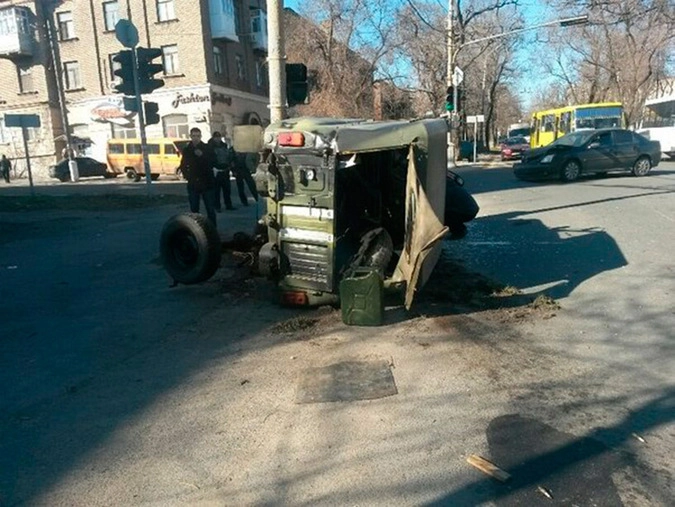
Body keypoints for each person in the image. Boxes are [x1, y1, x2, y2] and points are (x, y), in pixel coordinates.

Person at [178, 127, 217, 227]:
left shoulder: (207, 148)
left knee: (210, 208)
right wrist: (188, 176)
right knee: (194, 209)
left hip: (207, 182)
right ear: (190, 136)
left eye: (198, 136)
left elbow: (213, 162)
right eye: (194, 136)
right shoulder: (187, 149)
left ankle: (213, 229)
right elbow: (183, 165)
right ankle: (197, 229)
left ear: (201, 137)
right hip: (193, 183)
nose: (196, 138)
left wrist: (202, 155)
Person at [208, 131, 236, 211]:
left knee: (227, 190)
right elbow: (210, 159)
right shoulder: (210, 147)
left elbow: (228, 157)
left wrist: (230, 166)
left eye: (219, 137)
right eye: (216, 137)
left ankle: (228, 205)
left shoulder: (224, 146)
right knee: (216, 191)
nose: (218, 139)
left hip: (225, 170)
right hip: (216, 171)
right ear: (213, 138)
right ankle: (217, 206)